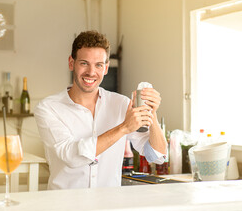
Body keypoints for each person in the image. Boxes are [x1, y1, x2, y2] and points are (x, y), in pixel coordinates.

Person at [34, 30, 167, 190]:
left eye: (98, 65)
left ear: (106, 68)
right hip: (66, 207)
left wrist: (152, 113)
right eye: (84, 63)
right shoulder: (48, 108)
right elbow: (71, 156)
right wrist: (124, 128)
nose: (91, 72)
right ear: (71, 63)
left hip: (108, 207)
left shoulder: (121, 104)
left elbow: (156, 155)